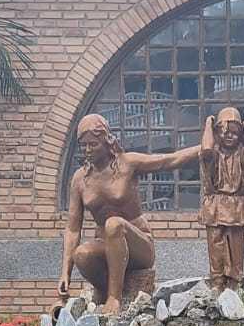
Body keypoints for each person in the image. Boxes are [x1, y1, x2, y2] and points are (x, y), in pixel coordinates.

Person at [59, 113, 201, 314]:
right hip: (106, 246)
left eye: (93, 144)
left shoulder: (127, 163)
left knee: (114, 224)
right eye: (84, 145)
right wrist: (65, 273)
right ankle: (105, 289)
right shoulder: (79, 179)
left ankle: (114, 298)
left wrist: (204, 148)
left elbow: (170, 160)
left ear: (107, 141)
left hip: (139, 246)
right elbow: (73, 229)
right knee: (81, 255)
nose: (88, 150)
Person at [200, 108, 244, 293]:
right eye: (225, 132)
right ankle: (217, 282)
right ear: (217, 133)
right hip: (215, 205)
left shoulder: (242, 154)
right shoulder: (213, 154)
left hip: (236, 205)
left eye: (234, 132)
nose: (229, 136)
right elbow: (206, 149)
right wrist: (208, 124)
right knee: (215, 248)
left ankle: (234, 284)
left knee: (235, 249)